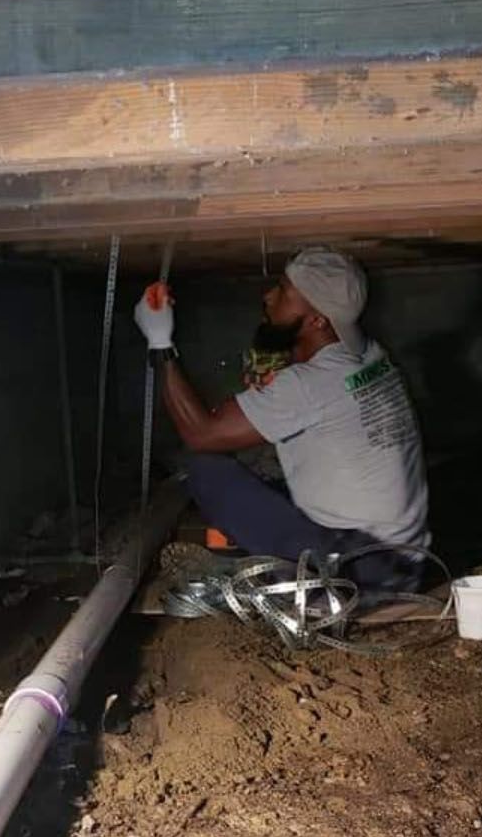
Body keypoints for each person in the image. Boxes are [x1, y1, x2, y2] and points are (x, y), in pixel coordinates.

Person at [133, 248, 430, 589]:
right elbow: (321, 392)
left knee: (206, 469)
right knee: (266, 481)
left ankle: (292, 584)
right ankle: (267, 561)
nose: (268, 296)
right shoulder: (371, 355)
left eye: (285, 293)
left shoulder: (309, 384)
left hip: (358, 573)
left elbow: (202, 434)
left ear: (317, 320)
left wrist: (160, 341)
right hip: (406, 560)